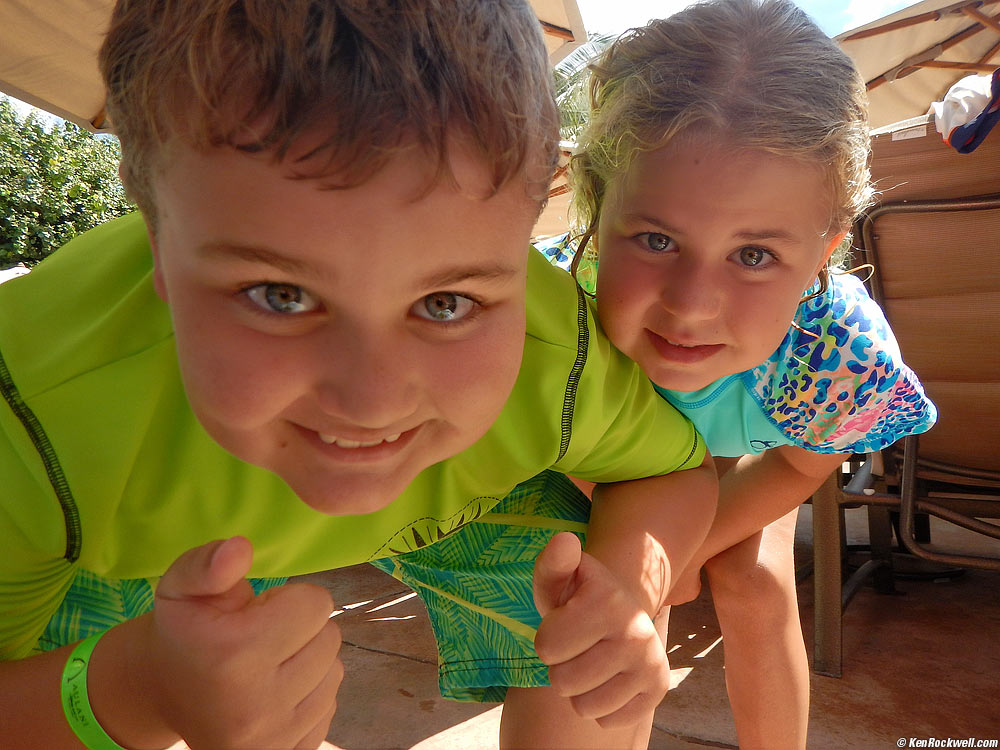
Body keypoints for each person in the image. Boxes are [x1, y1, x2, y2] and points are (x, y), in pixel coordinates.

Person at [0, 1, 718, 749]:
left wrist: (632, 592)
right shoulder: (34, 417)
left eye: (447, 302)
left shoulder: (551, 348)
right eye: (280, 296)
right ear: (156, 239)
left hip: (458, 501)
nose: (372, 403)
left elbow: (671, 473)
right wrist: (130, 687)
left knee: (597, 613)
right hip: (118, 544)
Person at [540, 0, 937, 747]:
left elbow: (798, 462)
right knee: (617, 598)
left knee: (752, 579)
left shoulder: (834, 345)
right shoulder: (562, 315)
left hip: (755, 441)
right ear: (595, 202)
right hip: (612, 451)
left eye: (754, 255)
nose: (691, 307)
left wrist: (692, 543)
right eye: (656, 238)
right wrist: (650, 562)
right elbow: (566, 443)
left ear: (824, 252)